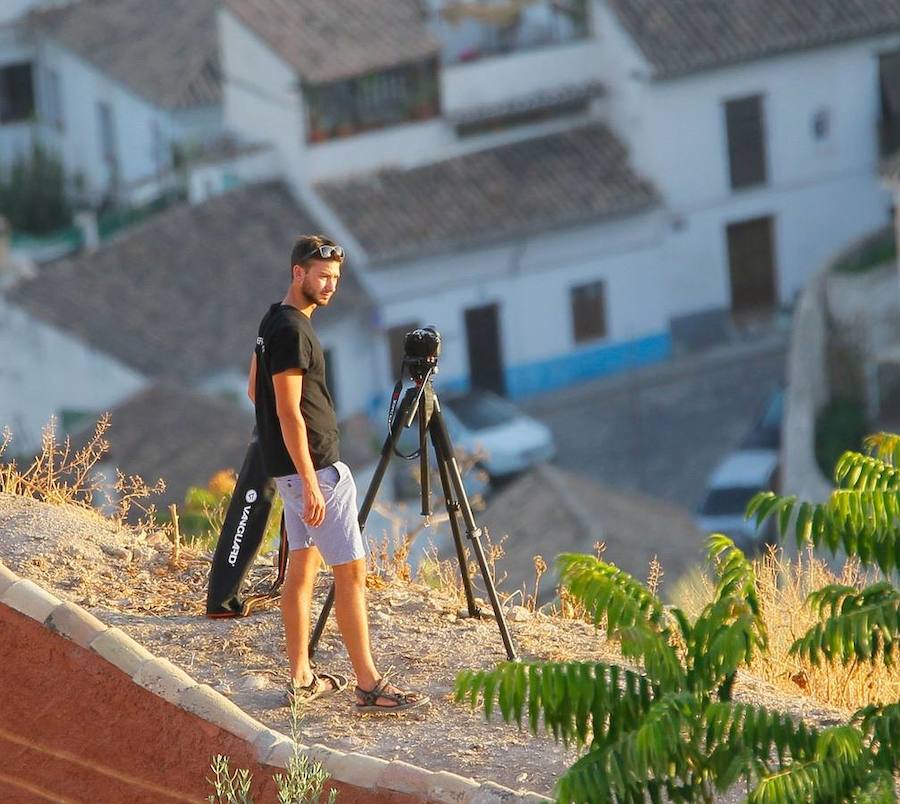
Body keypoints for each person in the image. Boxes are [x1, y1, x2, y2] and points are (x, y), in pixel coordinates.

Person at [247, 234, 428, 714]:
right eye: (322, 276)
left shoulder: (273, 321)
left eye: (336, 278)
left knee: (302, 573)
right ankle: (368, 685)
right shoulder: (291, 331)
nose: (330, 285)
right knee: (351, 575)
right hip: (316, 471)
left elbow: (254, 391)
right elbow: (286, 411)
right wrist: (309, 479)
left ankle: (302, 677)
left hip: (292, 471)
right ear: (297, 273)